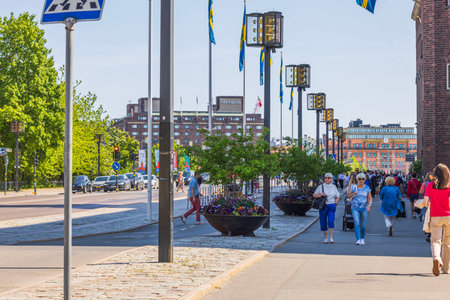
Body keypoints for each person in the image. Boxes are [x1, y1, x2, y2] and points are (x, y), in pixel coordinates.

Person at [422, 164, 450, 276]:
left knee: (435, 241)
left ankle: (436, 258)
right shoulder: (449, 186)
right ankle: (446, 268)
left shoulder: (430, 186)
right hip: (448, 216)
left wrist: (430, 203)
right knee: (447, 242)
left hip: (435, 216)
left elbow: (425, 202)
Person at [313, 173, 340, 244]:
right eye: (325, 177)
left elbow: (338, 196)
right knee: (323, 221)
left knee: (331, 221)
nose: (326, 179)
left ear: (331, 179)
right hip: (323, 206)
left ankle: (331, 237)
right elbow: (314, 195)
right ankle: (325, 238)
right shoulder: (320, 186)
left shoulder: (334, 186)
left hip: (331, 205)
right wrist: (320, 195)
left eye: (328, 178)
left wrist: (335, 203)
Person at [347, 172, 373, 245]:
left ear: (365, 179)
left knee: (363, 225)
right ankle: (358, 239)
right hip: (355, 207)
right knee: (357, 223)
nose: (361, 180)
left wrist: (369, 206)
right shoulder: (353, 187)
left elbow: (369, 198)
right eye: (359, 179)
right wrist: (354, 193)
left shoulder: (367, 188)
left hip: (364, 208)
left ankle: (362, 238)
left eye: (363, 179)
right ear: (357, 179)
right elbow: (348, 196)